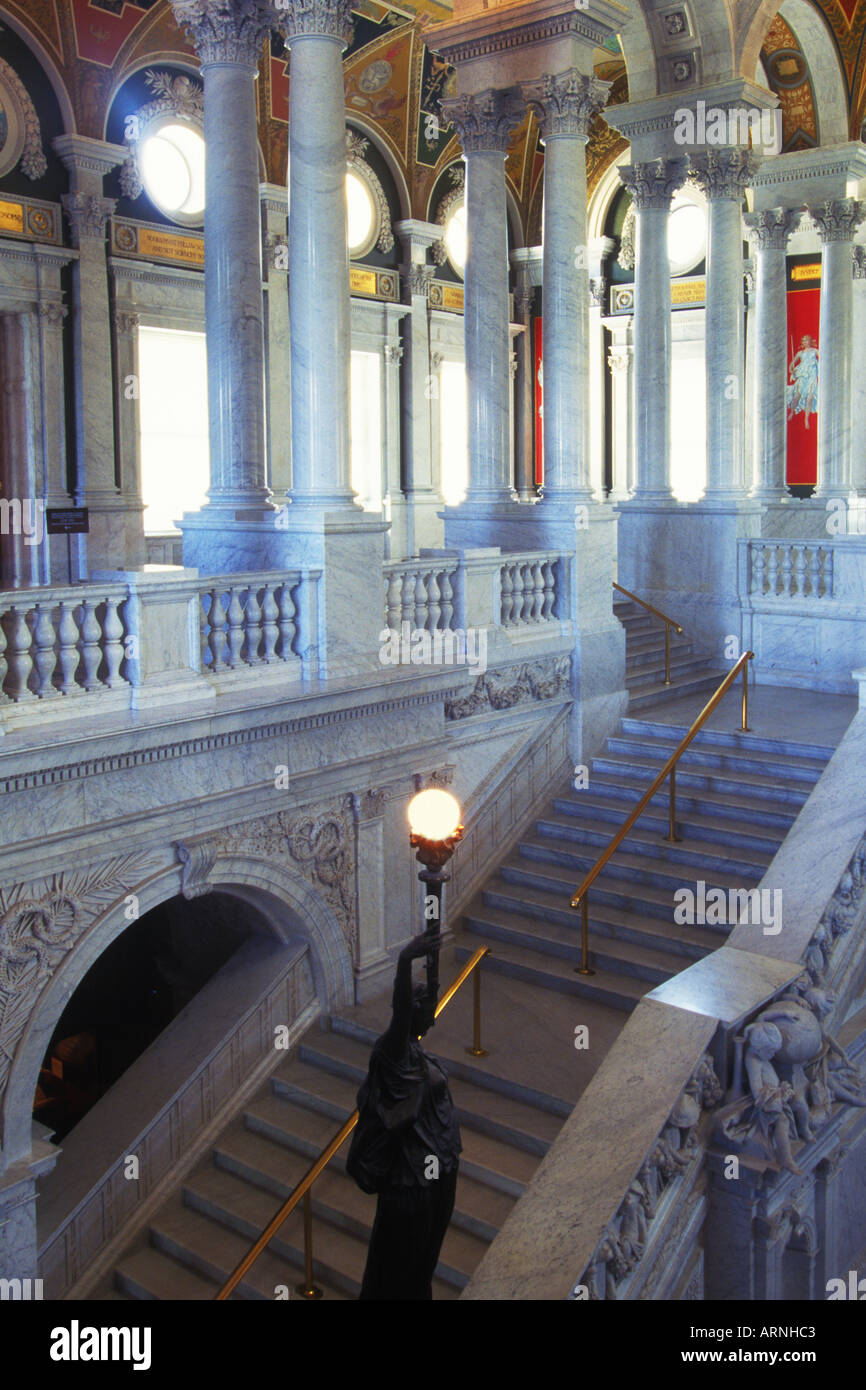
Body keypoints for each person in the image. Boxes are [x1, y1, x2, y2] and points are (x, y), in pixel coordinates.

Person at [346, 929, 461, 1299]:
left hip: (440, 1168)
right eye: (424, 1006)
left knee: (423, 1265)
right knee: (400, 1267)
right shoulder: (392, 1055)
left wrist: (430, 965)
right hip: (412, 1180)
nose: (432, 1011)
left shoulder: (418, 1053)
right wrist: (404, 960)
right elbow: (400, 1013)